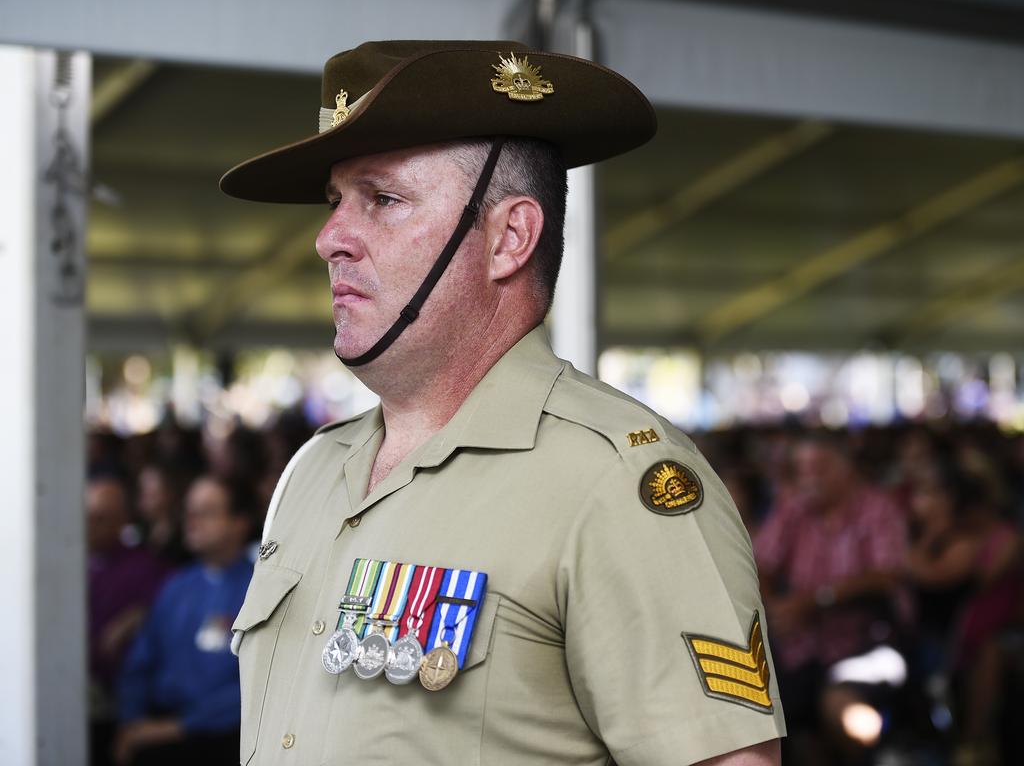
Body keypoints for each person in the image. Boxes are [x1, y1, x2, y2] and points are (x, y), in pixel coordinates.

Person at [222, 40, 785, 765]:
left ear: (509, 237)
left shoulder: (611, 480)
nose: (331, 237)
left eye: (383, 199)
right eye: (336, 203)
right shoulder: (312, 472)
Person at [754, 434, 907, 765]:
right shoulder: (793, 508)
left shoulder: (876, 508)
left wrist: (816, 600)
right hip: (800, 646)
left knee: (841, 707)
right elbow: (760, 562)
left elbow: (887, 575)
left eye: (820, 468)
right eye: (802, 470)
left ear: (846, 467)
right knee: (772, 712)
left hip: (869, 644)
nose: (810, 478)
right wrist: (775, 608)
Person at [115, 475, 255, 765]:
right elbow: (140, 662)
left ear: (240, 523)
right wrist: (132, 720)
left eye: (206, 512)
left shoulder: (258, 591)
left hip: (226, 739)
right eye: (189, 511)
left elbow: (256, 686)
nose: (192, 520)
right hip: (158, 731)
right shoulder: (176, 586)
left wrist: (180, 727)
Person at [88, 474, 170, 766]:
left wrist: (139, 614)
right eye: (86, 516)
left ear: (123, 520)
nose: (90, 526)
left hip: (119, 693)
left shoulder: (146, 568)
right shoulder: (67, 561)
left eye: (101, 518)